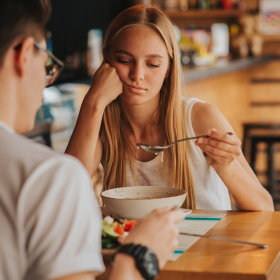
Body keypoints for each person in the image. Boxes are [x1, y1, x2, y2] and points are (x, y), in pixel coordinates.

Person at [0, 1, 184, 280]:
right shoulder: (46, 176)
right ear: (25, 54)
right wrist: (137, 256)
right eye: (47, 60)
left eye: (153, 63)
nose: (47, 78)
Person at [66, 5, 274, 212]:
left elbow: (265, 208)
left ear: (168, 69)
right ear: (107, 59)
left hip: (207, 243)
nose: (137, 74)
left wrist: (226, 167)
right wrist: (92, 102)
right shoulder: (101, 123)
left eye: (153, 64)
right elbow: (64, 195)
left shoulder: (200, 118)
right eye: (124, 60)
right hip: (138, 245)